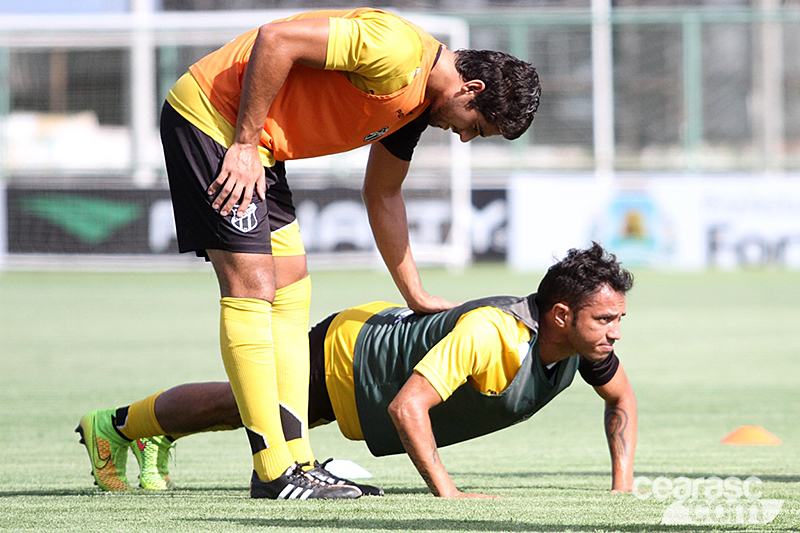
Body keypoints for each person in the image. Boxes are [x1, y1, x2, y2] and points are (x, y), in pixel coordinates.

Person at [155, 7, 541, 499]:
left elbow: (382, 193)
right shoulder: (396, 49)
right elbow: (276, 39)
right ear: (472, 90)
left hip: (260, 147)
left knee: (293, 290)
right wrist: (246, 143)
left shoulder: (418, 107)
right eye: (475, 127)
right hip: (215, 121)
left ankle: (298, 461)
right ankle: (273, 472)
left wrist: (415, 293)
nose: (464, 136)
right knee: (253, 287)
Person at [77, 243, 636, 499]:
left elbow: (622, 402)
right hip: (357, 353)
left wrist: (621, 486)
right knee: (245, 407)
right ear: (561, 315)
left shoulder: (584, 349)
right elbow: (406, 407)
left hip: (375, 358)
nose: (614, 331)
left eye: (618, 319)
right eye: (605, 318)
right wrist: (449, 493)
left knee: (246, 409)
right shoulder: (492, 333)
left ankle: (154, 433)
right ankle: (116, 426)